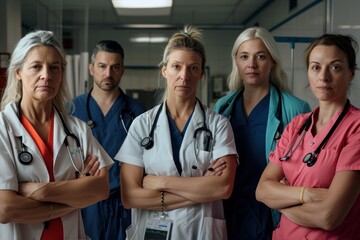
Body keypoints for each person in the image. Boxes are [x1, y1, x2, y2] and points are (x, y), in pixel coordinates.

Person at [114, 25, 238, 240]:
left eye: (193, 68)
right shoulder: (142, 125)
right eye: (176, 67)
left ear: (201, 73)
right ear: (164, 70)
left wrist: (160, 182)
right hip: (153, 231)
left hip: (201, 231)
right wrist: (201, 191)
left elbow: (223, 188)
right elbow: (130, 196)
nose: (184, 76)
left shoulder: (218, 125)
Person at [0, 30, 113, 239]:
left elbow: (100, 190)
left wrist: (41, 191)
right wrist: (75, 194)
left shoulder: (77, 129)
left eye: (54, 68)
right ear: (18, 72)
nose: (46, 75)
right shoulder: (3, 128)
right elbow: (5, 208)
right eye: (36, 67)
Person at [256, 34, 360, 239]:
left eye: (335, 67)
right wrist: (308, 194)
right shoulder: (297, 125)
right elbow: (262, 190)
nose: (324, 76)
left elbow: (328, 216)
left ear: (351, 74)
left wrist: (281, 202)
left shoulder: (355, 127)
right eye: (316, 67)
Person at [214, 26, 311, 239]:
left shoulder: (296, 109)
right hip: (228, 210)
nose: (252, 64)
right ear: (236, 62)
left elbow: (306, 169)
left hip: (270, 213)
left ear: (273, 61)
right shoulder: (223, 107)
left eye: (261, 56)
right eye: (244, 56)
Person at [72, 40, 146, 240]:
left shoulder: (137, 113)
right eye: (102, 66)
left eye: (115, 67)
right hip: (86, 204)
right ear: (91, 69)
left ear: (122, 70)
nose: (108, 73)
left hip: (124, 203)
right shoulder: (72, 110)